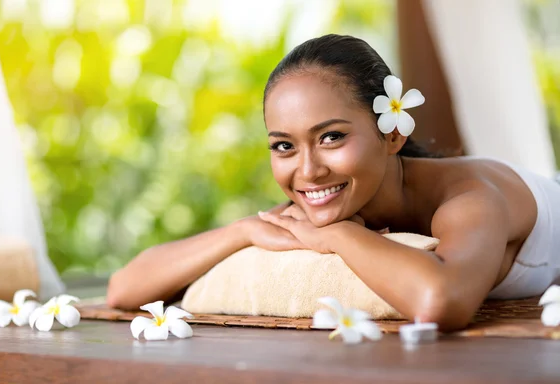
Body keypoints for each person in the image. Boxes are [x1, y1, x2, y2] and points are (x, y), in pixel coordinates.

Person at [107, 34, 560, 331]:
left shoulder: (469, 200)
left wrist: (335, 236)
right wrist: (241, 230)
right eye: (284, 146)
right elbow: (123, 288)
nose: (307, 171)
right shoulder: (329, 192)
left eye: (331, 137)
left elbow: (441, 302)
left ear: (393, 133)